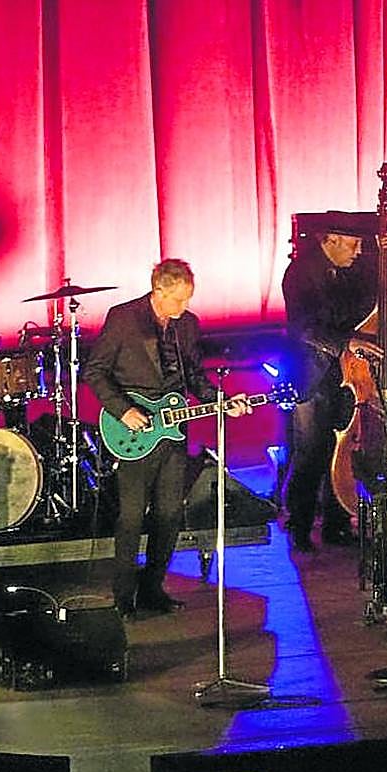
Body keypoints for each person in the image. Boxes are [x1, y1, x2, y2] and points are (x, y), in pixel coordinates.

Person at [84, 258, 249, 618]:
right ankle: (123, 597)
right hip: (133, 428)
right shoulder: (124, 318)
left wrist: (221, 403)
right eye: (178, 300)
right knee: (130, 516)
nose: (184, 307)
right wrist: (122, 410)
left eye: (188, 299)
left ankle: (152, 588)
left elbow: (194, 376)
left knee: (170, 513)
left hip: (173, 431)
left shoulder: (187, 325)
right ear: (158, 291)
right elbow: (94, 371)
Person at [281, 213, 387, 553]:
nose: (358, 251)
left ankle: (337, 522)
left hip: (348, 375)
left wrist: (386, 259)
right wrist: (346, 343)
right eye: (354, 245)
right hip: (313, 374)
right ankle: (299, 524)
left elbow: (377, 298)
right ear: (331, 240)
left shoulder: (350, 271)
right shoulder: (299, 274)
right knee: (311, 450)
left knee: (343, 449)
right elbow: (303, 327)